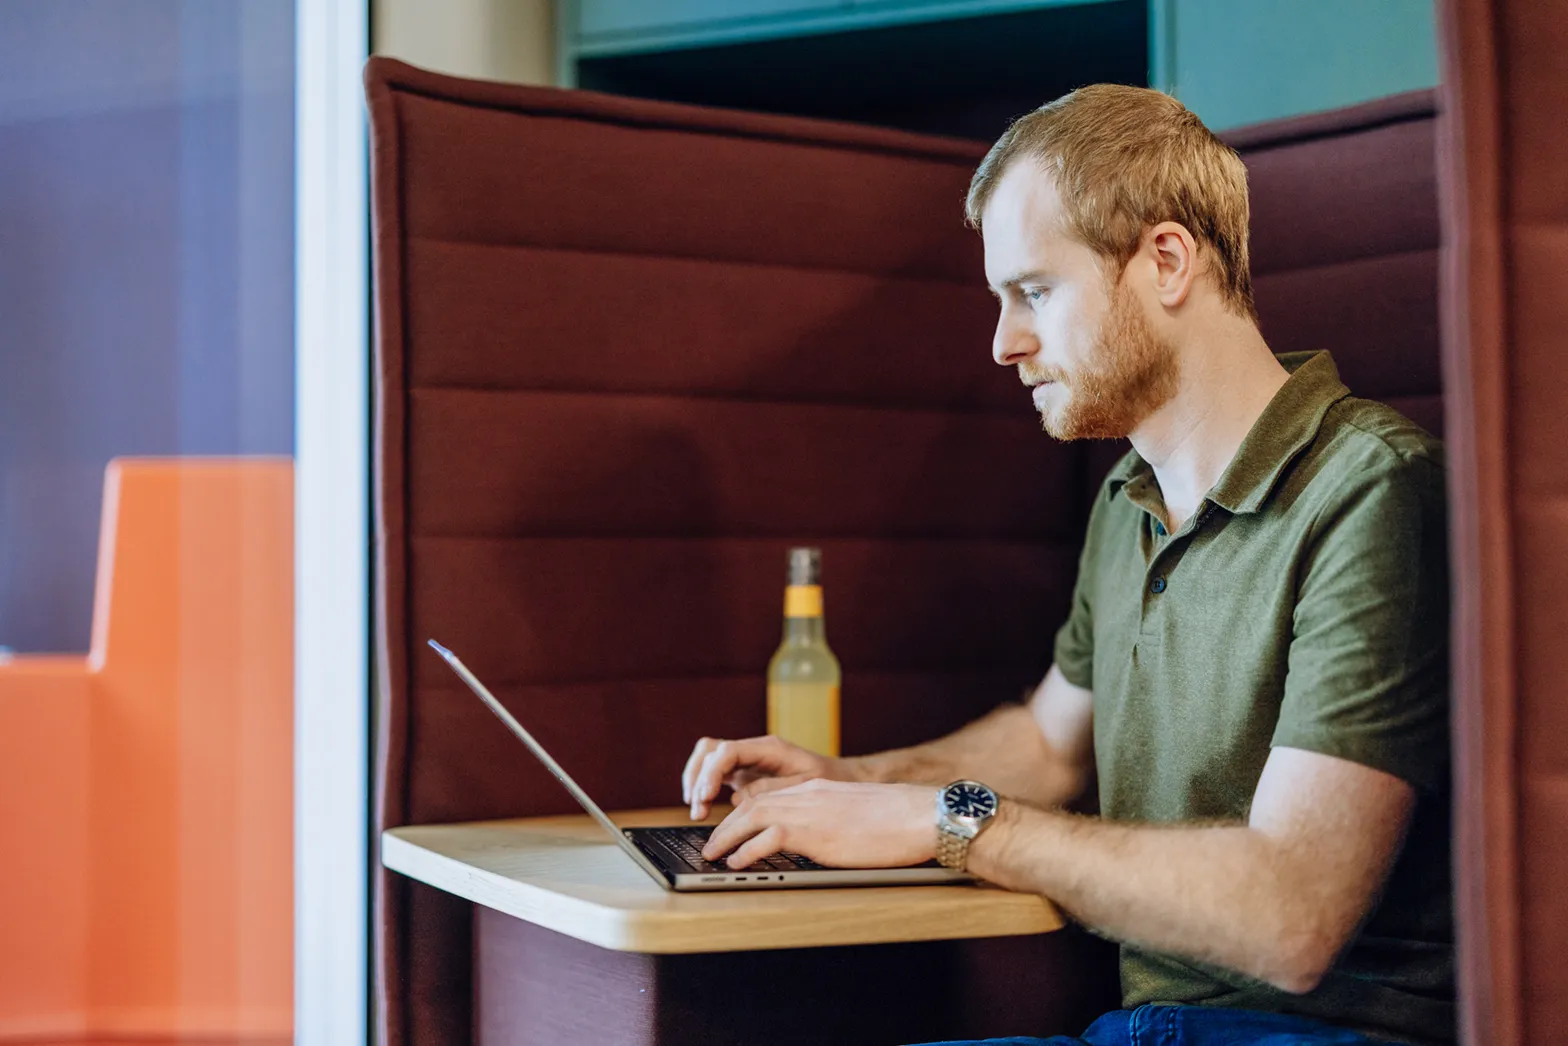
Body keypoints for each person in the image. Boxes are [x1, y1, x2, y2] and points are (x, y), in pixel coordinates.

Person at [679, 85, 1452, 1046]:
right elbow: (1049, 745)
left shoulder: (1372, 492)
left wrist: (951, 822)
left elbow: (1292, 915)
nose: (1005, 343)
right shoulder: (1130, 493)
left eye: (1034, 292)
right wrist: (851, 783)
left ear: (1167, 260)